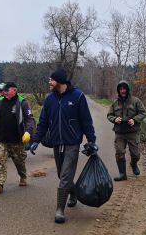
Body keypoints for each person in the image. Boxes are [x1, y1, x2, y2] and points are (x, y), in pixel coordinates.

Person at [29, 69, 98, 224]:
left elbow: (86, 121)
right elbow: (43, 122)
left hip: (72, 142)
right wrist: (36, 140)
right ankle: (74, 194)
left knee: (66, 175)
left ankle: (59, 209)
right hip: (57, 142)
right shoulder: (49, 99)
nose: (49, 83)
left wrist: (91, 140)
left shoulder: (77, 96)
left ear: (59, 81)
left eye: (51, 80)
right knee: (62, 175)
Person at [0, 82, 35, 195]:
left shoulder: (22, 102)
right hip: (2, 139)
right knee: (0, 161)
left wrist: (28, 132)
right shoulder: (0, 102)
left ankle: (22, 176)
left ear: (14, 90)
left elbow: (29, 119)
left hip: (17, 139)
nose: (5, 92)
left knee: (19, 161)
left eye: (7, 90)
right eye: (4, 90)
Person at [107, 80, 146, 181]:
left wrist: (135, 120)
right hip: (119, 132)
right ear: (118, 90)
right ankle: (122, 174)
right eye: (120, 89)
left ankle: (133, 164)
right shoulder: (115, 103)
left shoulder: (135, 101)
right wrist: (114, 119)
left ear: (127, 89)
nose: (122, 91)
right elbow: (109, 115)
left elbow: (143, 113)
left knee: (136, 154)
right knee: (119, 153)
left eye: (124, 88)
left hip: (132, 132)